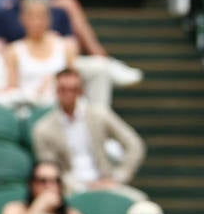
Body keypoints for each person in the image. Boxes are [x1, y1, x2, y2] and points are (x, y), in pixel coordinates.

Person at [31, 68, 145, 198]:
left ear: (81, 91)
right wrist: (77, 185)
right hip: (68, 190)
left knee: (142, 204)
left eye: (73, 89)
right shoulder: (43, 128)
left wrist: (119, 176)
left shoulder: (99, 115)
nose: (68, 94)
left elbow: (134, 144)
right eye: (63, 89)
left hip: (107, 183)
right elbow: (49, 168)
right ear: (56, 91)